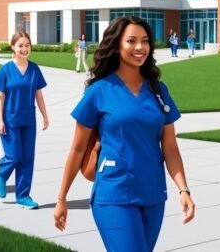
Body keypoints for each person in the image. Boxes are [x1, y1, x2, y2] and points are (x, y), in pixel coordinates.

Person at [54, 17, 195, 251]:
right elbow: (78, 148)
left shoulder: (159, 91)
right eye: (131, 41)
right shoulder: (98, 91)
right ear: (116, 45)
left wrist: (183, 189)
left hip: (153, 195)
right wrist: (62, 198)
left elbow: (170, 148)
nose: (140, 47)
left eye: (145, 41)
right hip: (114, 194)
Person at [0, 32, 49, 209]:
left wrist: (45, 115)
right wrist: (0, 120)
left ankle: (23, 196)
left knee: (27, 158)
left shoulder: (34, 69)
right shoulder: (6, 70)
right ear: (13, 47)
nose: (24, 49)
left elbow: (38, 94)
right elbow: (0, 97)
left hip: (29, 120)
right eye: (20, 45)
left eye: (27, 45)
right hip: (10, 120)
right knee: (14, 155)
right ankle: (1, 175)